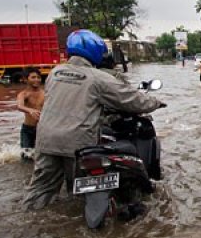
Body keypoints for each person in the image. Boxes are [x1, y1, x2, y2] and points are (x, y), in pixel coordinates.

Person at [23, 29, 165, 210]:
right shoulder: (97, 78)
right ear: (95, 51)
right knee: (79, 192)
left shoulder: (55, 73)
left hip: (45, 140)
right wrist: (156, 102)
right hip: (76, 143)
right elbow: (131, 99)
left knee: (40, 190)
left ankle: (29, 221)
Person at [16, 67, 45, 160]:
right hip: (27, 130)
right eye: (33, 77)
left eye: (38, 77)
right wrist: (30, 110)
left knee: (42, 156)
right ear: (25, 79)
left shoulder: (45, 93)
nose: (36, 79)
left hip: (42, 129)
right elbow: (19, 106)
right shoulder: (23, 94)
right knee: (26, 156)